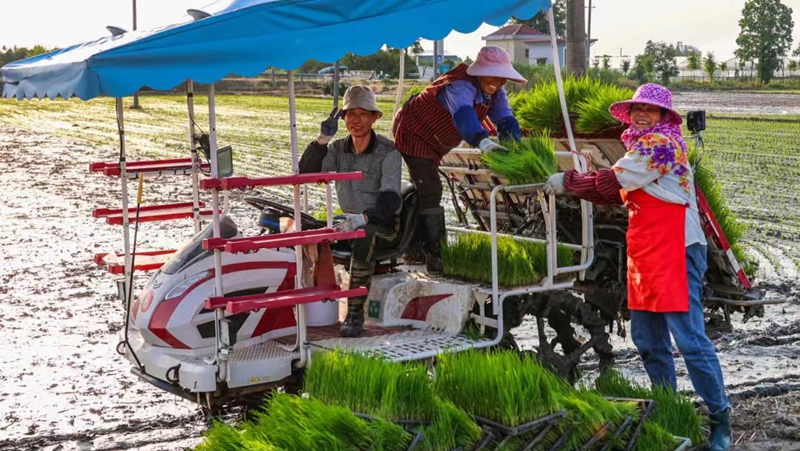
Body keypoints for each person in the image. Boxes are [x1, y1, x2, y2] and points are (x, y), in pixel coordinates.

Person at [544, 83, 732, 451]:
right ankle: (667, 411)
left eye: (651, 109)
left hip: (676, 246)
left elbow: (612, 183)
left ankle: (720, 420)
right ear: (629, 115)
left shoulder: (662, 145)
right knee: (647, 339)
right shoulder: (638, 146)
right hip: (646, 249)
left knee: (690, 340)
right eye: (636, 109)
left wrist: (568, 181)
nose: (642, 115)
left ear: (664, 116)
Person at [392, 46, 527, 273]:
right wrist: (483, 142)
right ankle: (435, 255)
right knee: (432, 189)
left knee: (424, 190)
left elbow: (506, 119)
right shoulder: (460, 85)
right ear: (480, 71)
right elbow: (463, 115)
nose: (498, 82)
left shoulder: (495, 92)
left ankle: (412, 249)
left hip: (436, 141)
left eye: (503, 77)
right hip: (414, 131)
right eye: (494, 75)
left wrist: (516, 151)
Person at [299, 86, 403, 337]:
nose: (357, 120)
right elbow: (306, 172)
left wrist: (364, 218)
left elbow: (390, 199)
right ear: (342, 118)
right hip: (349, 219)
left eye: (364, 114)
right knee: (304, 227)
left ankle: (354, 314)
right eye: (351, 114)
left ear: (375, 117)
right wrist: (321, 141)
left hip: (383, 223)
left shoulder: (388, 153)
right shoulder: (336, 150)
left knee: (364, 236)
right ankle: (305, 303)